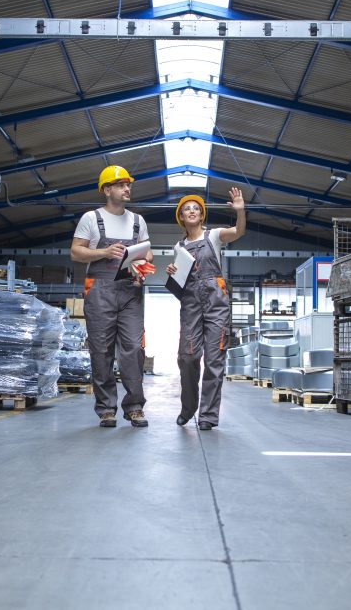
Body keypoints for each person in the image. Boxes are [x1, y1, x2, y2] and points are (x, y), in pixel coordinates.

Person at [70, 165, 155, 428]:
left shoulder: (138, 221)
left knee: (133, 349)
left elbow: (148, 254)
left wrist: (142, 268)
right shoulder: (90, 218)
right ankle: (107, 408)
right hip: (99, 290)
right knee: (102, 351)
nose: (127, 188)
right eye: (121, 185)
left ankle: (135, 407)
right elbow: (76, 252)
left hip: (130, 291)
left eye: (128, 184)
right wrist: (104, 253)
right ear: (107, 190)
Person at [165, 187, 246, 430]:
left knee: (214, 361)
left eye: (196, 209)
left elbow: (238, 232)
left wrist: (240, 212)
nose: (192, 211)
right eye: (187, 208)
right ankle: (188, 408)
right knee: (188, 358)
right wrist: (172, 271)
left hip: (216, 305)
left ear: (202, 216)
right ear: (181, 216)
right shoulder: (178, 247)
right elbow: (180, 282)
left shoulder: (214, 236)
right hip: (190, 304)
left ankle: (208, 416)